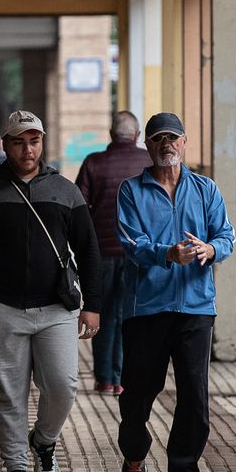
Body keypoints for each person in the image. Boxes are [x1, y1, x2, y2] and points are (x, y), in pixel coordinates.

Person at [0, 110, 102, 472]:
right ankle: (17, 469)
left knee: (64, 386)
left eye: (34, 141)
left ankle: (43, 442)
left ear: (42, 143)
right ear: (5, 146)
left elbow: (88, 250)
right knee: (8, 393)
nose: (27, 149)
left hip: (56, 308)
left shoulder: (66, 191)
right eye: (18, 141)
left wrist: (93, 304)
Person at [115, 112, 235, 472]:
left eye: (174, 138)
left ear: (184, 143)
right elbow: (131, 244)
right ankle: (134, 452)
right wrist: (168, 254)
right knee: (137, 396)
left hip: (196, 308)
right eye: (158, 139)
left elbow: (226, 236)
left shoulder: (205, 189)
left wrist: (210, 248)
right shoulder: (131, 190)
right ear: (147, 146)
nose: (167, 145)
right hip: (146, 309)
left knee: (195, 398)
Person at [73, 110, 152, 396]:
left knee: (100, 314)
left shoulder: (94, 163)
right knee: (130, 316)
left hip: (101, 253)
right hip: (141, 255)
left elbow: (78, 208)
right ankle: (122, 379)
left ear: (110, 135)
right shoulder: (148, 162)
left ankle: (104, 378)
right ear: (137, 135)